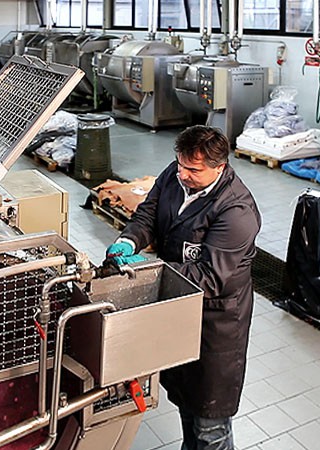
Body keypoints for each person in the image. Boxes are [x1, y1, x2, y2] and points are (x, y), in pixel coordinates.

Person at [106, 125, 261, 450]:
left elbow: (211, 277)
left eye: (193, 169)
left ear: (219, 168)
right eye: (180, 164)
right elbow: (147, 214)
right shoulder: (175, 175)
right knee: (187, 404)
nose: (183, 173)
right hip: (177, 308)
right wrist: (129, 240)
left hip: (215, 322)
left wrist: (149, 269)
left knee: (210, 421)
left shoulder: (236, 212)